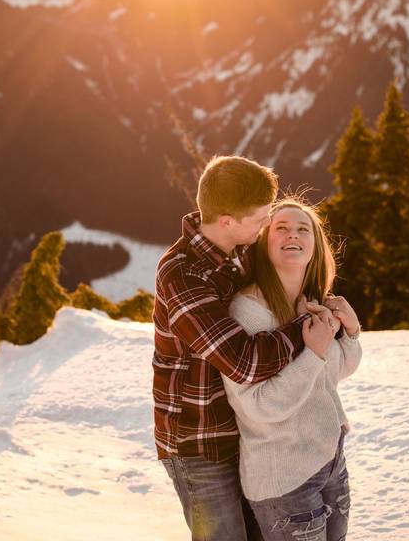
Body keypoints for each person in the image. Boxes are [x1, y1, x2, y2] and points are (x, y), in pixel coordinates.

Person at [153, 156, 325, 541]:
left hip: (246, 431)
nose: (268, 224)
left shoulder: (241, 248)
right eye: (262, 217)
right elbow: (243, 363)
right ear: (227, 221)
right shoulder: (182, 274)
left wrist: (326, 310)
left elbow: (284, 285)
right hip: (200, 442)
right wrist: (305, 330)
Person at [222, 195, 362, 541]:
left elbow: (333, 373)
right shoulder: (249, 313)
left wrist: (352, 332)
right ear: (264, 243)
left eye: (303, 229)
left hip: (329, 461)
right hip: (284, 479)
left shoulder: (311, 302)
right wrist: (312, 354)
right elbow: (258, 407)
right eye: (280, 228)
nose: (293, 235)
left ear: (316, 246)